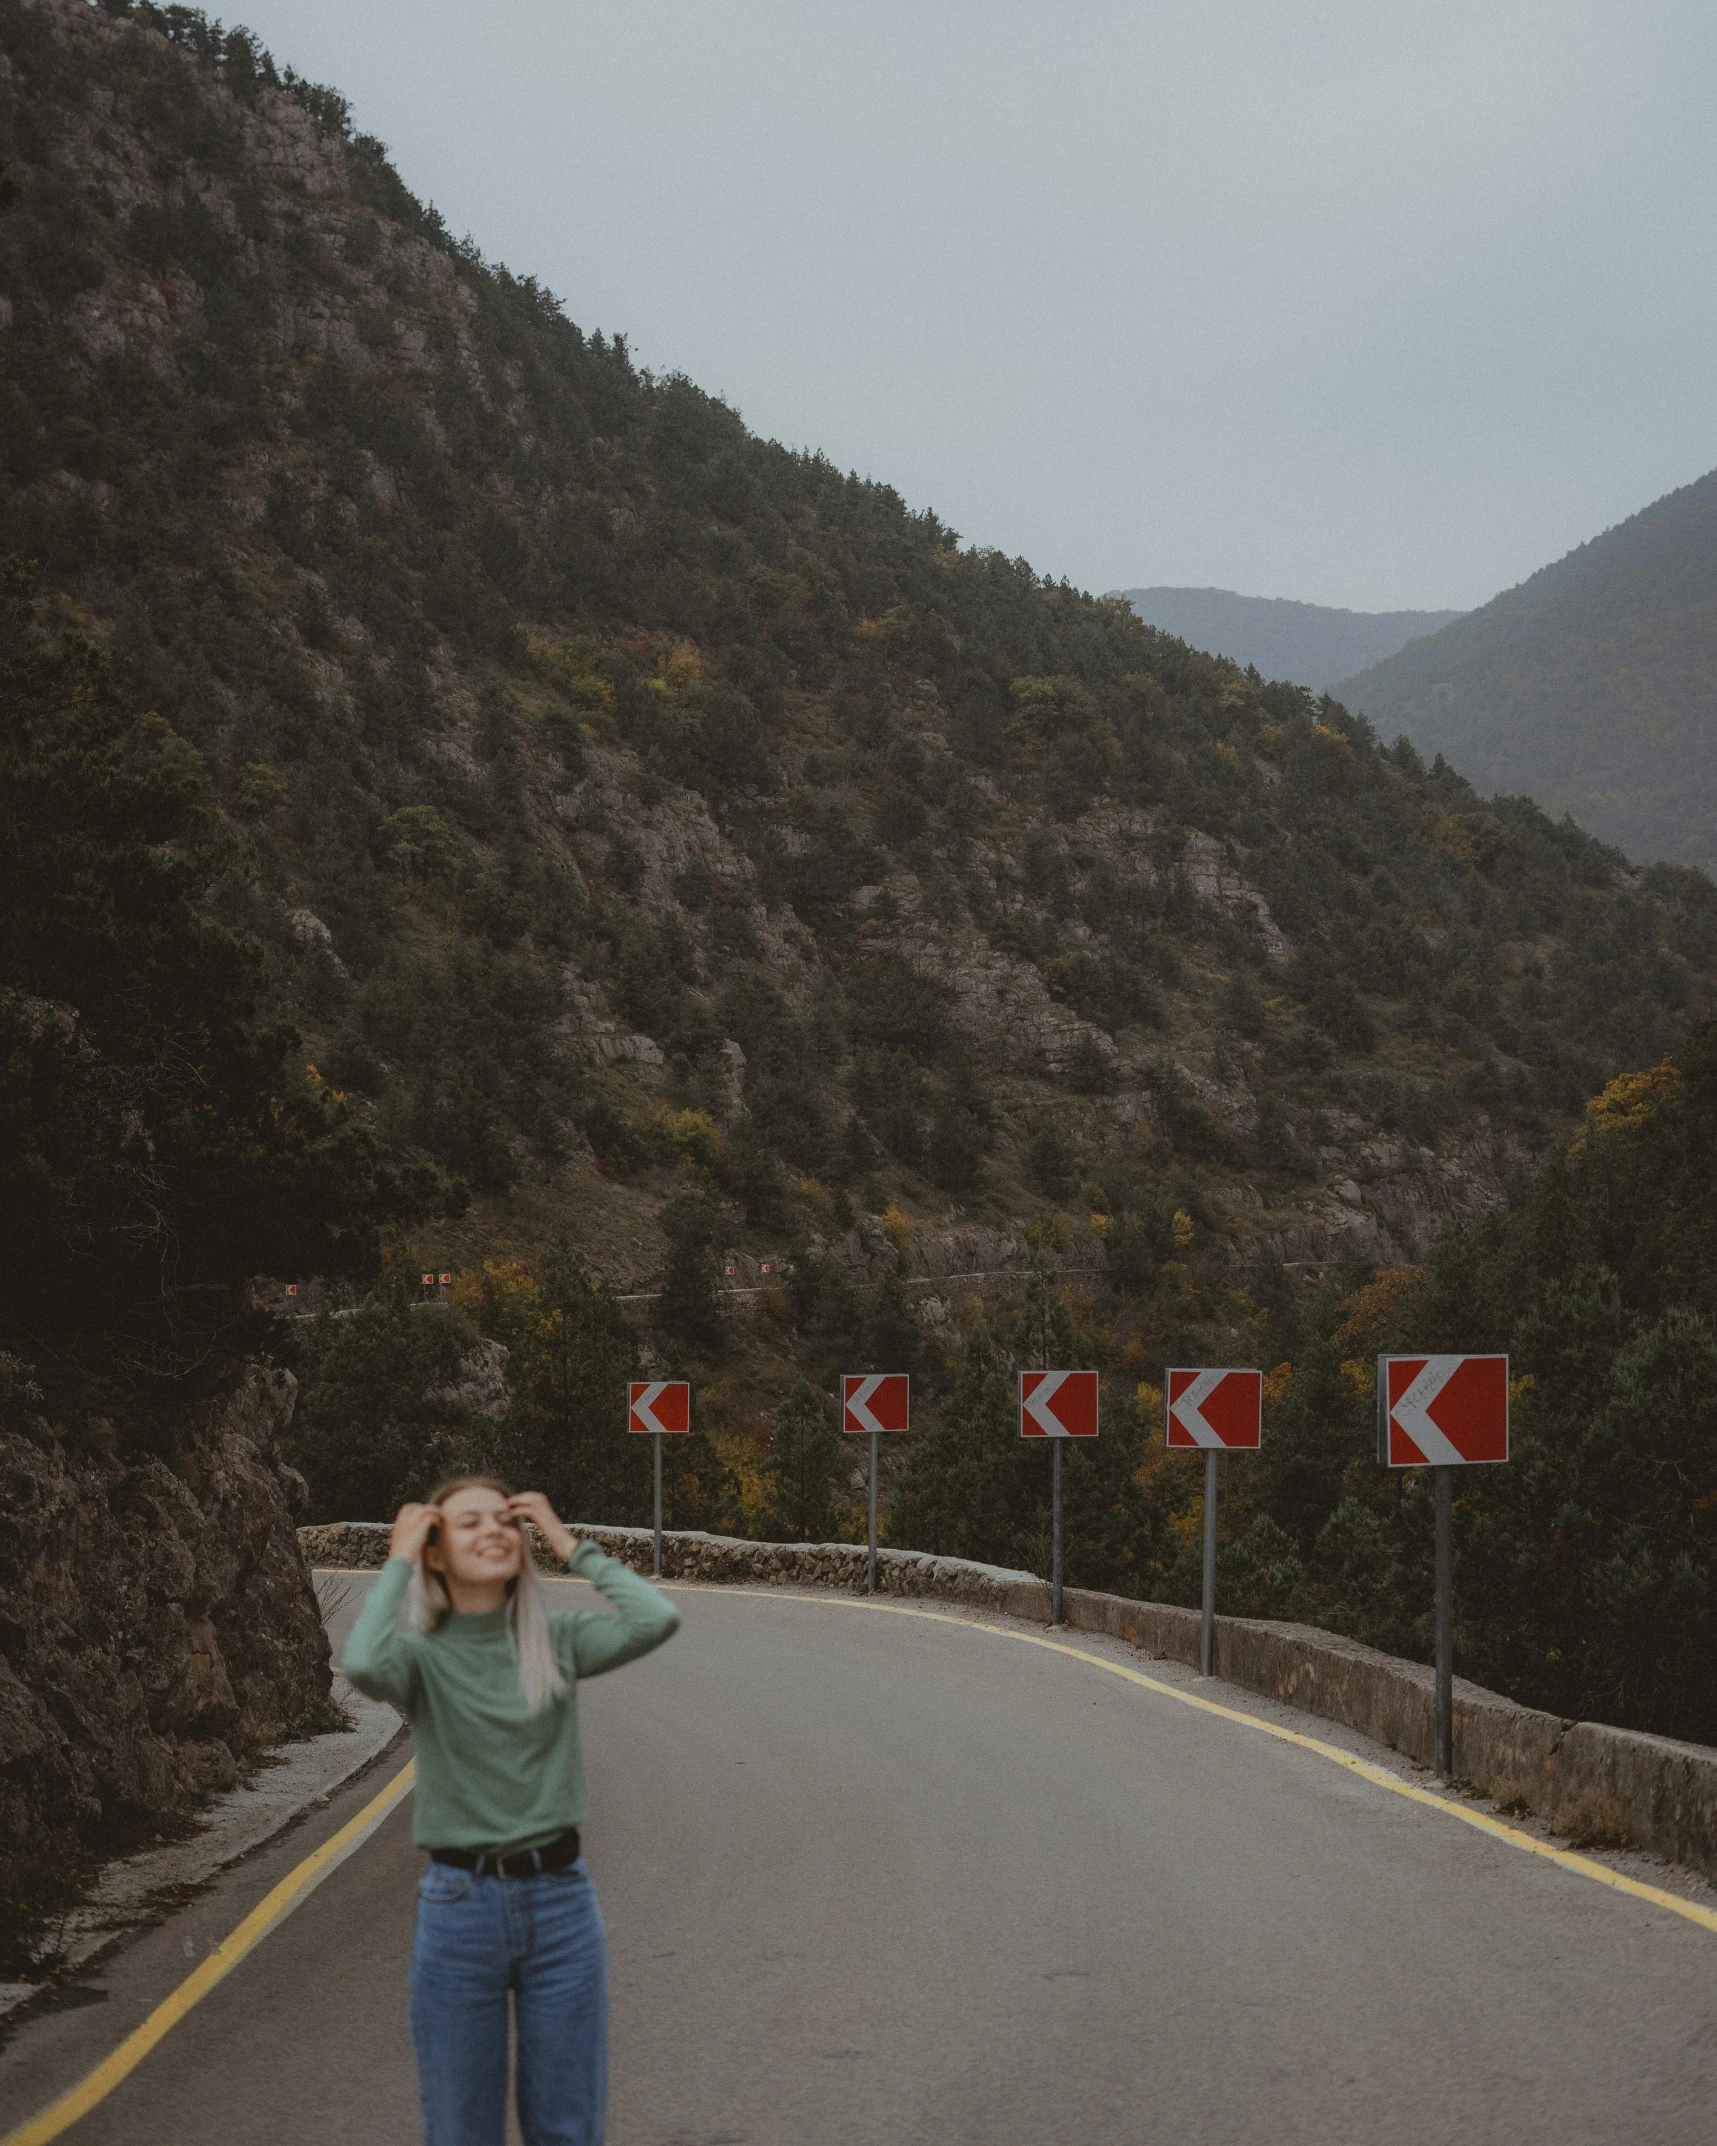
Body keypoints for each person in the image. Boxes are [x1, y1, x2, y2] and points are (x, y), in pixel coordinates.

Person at [342, 1476, 680, 2146]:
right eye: (469, 1523)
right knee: (461, 2129)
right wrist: (399, 1558)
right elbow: (360, 1663)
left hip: (561, 1905)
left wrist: (565, 1542)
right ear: (437, 1552)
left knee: (567, 2127)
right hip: (459, 1909)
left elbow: (656, 1619)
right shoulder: (421, 1660)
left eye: (504, 1520)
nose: (493, 1531)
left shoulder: (557, 1641)